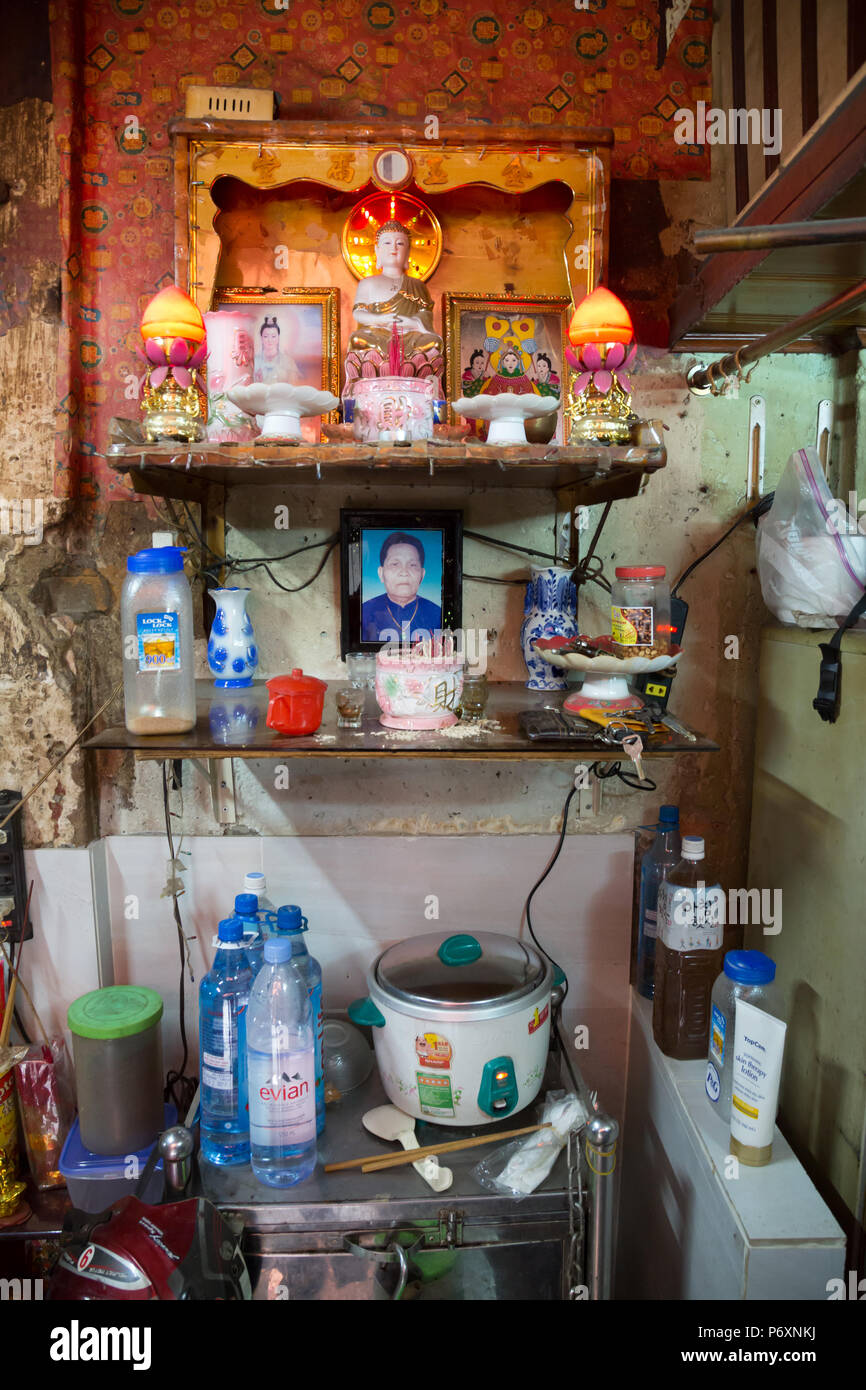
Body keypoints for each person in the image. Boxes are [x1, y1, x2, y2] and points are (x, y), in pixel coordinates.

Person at [345, 221, 443, 392]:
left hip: (410, 335)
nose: (394, 248)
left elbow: (425, 313)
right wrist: (380, 319)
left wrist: (411, 322)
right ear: (377, 250)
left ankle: (419, 388)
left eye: (400, 243)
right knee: (358, 340)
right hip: (377, 334)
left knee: (433, 344)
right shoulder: (368, 283)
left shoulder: (417, 285)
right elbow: (358, 313)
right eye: (388, 242)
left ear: (408, 251)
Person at [361, 531, 442, 643]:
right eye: (395, 564)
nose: (404, 572)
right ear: (381, 573)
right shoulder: (363, 613)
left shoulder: (438, 614)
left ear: (422, 576)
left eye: (412, 565)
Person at [254, 315, 299, 384]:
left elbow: (294, 386)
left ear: (278, 338)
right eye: (266, 336)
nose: (270, 340)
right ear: (261, 338)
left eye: (273, 336)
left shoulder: (288, 361)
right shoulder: (254, 361)